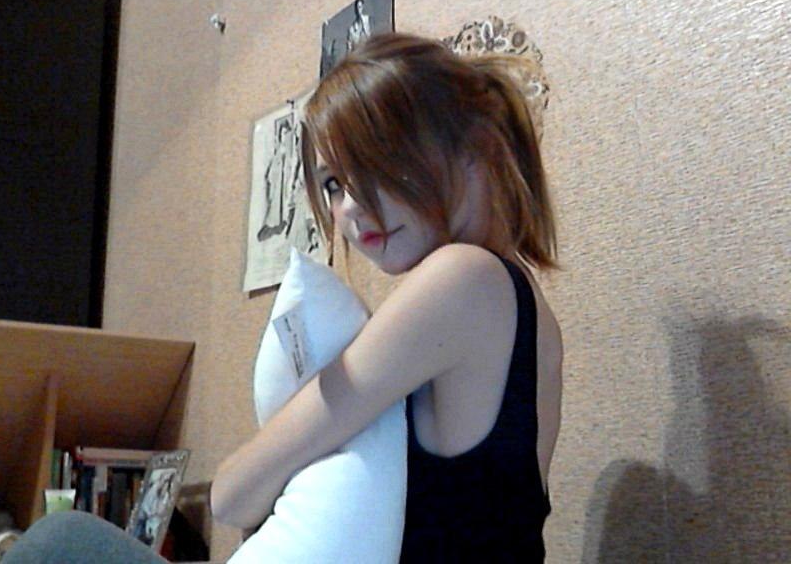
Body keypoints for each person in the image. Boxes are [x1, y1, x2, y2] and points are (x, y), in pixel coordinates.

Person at [211, 32, 564, 561]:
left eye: (378, 157)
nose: (352, 205)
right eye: (334, 183)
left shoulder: (462, 279)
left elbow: (232, 495)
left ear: (474, 144)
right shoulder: (515, 298)